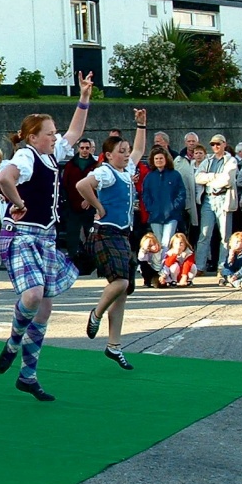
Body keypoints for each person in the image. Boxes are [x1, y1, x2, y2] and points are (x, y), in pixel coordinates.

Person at [0, 71, 94, 402]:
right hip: (22, 234)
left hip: (46, 237)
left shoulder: (52, 154)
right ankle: (12, 340)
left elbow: (76, 130)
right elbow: (4, 178)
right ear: (32, 137)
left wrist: (84, 96)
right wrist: (18, 202)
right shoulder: (25, 156)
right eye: (50, 133)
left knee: (45, 309)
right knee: (34, 295)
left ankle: (28, 375)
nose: (56, 137)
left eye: (54, 133)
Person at [76, 109, 147, 371]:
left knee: (123, 291)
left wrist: (141, 125)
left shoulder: (126, 168)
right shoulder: (105, 171)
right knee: (121, 281)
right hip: (105, 233)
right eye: (122, 151)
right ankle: (96, 313)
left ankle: (114, 345)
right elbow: (82, 185)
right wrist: (98, 205)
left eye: (126, 150)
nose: (127, 154)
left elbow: (139, 150)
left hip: (123, 234)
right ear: (108, 155)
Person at [195, 134, 238, 274]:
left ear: (224, 144)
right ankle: (199, 266)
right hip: (208, 198)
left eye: (218, 144)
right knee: (204, 234)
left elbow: (227, 180)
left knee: (225, 235)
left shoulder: (230, 160)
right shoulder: (208, 160)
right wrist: (213, 176)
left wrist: (209, 179)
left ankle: (222, 265)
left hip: (223, 198)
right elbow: (198, 177)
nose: (215, 147)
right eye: (213, 144)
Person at [60, 137, 99, 259]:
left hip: (91, 205)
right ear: (78, 149)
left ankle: (92, 258)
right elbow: (65, 185)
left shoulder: (96, 165)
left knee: (91, 233)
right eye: (82, 148)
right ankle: (73, 257)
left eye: (87, 148)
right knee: (72, 234)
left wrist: (89, 199)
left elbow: (98, 184)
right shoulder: (70, 165)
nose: (85, 150)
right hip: (72, 206)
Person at [142, 145, 186, 250]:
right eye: (156, 159)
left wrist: (174, 207)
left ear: (166, 159)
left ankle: (165, 266)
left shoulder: (175, 175)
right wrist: (150, 208)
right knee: (157, 244)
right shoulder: (149, 177)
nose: (159, 160)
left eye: (161, 158)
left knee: (166, 243)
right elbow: (145, 194)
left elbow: (181, 193)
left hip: (171, 216)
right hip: (155, 216)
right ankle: (158, 266)